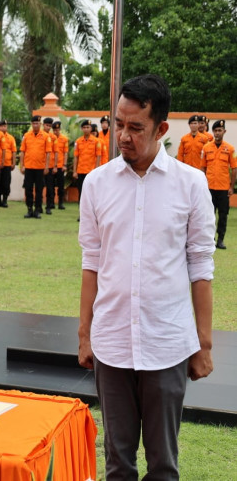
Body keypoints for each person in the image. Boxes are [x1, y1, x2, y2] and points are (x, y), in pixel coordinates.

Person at [78, 74, 215, 480]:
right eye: (119, 124)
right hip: (112, 342)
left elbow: (201, 266)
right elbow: (91, 262)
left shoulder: (191, 184)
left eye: (136, 127)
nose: (123, 136)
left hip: (167, 343)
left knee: (163, 466)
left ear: (161, 129)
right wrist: (85, 333)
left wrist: (203, 344)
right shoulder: (96, 184)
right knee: (118, 463)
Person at [201, 119, 237, 249]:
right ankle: (210, 239)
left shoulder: (230, 149)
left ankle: (220, 240)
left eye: (220, 130)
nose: (217, 133)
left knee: (223, 215)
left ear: (224, 131)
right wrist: (202, 185)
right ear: (213, 132)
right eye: (215, 130)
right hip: (209, 187)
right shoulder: (206, 148)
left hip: (223, 188)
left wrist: (231, 187)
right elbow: (202, 168)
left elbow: (234, 169)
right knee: (209, 215)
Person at [19, 115, 52, 218]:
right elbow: (22, 152)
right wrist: (22, 165)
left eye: (37, 123)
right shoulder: (26, 136)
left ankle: (37, 210)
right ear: (31, 124)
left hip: (40, 167)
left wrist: (46, 167)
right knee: (28, 189)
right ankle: (29, 209)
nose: (35, 125)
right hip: (29, 167)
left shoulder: (46, 136)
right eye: (33, 123)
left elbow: (48, 153)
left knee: (39, 190)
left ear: (40, 124)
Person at [73, 120, 102, 213]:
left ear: (91, 128)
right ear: (82, 129)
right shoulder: (78, 141)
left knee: (92, 194)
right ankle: (82, 213)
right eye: (84, 127)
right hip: (81, 171)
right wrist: (74, 171)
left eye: (88, 127)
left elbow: (98, 156)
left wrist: (97, 171)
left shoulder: (96, 141)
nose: (86, 129)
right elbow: (76, 157)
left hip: (91, 172)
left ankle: (92, 213)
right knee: (81, 193)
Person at [0, 120, 16, 207]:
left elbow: (14, 151)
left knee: (6, 183)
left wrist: (13, 163)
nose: (3, 128)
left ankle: (4, 200)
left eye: (5, 126)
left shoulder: (10, 138)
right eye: (2, 126)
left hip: (7, 164)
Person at [51, 120, 68, 210]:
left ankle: (60, 202)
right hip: (52, 165)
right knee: (51, 185)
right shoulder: (50, 138)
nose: (55, 132)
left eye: (57, 130)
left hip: (60, 166)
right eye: (54, 130)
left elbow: (65, 153)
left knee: (61, 186)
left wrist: (65, 164)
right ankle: (52, 202)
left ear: (60, 129)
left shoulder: (64, 139)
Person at [42, 117, 56, 214]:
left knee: (50, 187)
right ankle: (38, 206)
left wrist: (55, 166)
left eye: (50, 126)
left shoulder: (53, 137)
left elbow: (56, 152)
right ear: (43, 125)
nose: (48, 127)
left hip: (50, 165)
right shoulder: (40, 135)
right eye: (47, 125)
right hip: (39, 165)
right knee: (39, 187)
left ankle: (49, 206)